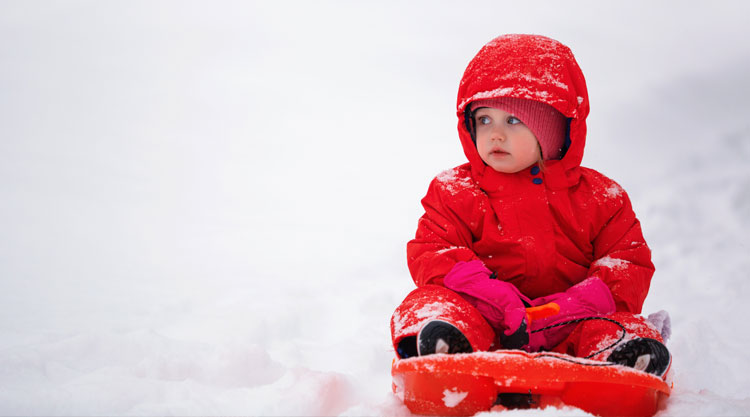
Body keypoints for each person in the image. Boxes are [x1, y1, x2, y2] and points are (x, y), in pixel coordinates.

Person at [390, 34, 671, 378]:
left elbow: (627, 262)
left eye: (512, 120)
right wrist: (492, 296)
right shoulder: (454, 191)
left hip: (575, 322)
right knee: (428, 303)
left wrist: (575, 305)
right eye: (484, 120)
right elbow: (435, 252)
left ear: (555, 129)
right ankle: (444, 347)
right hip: (487, 319)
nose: (494, 134)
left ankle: (624, 358)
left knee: (618, 323)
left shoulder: (602, 197)